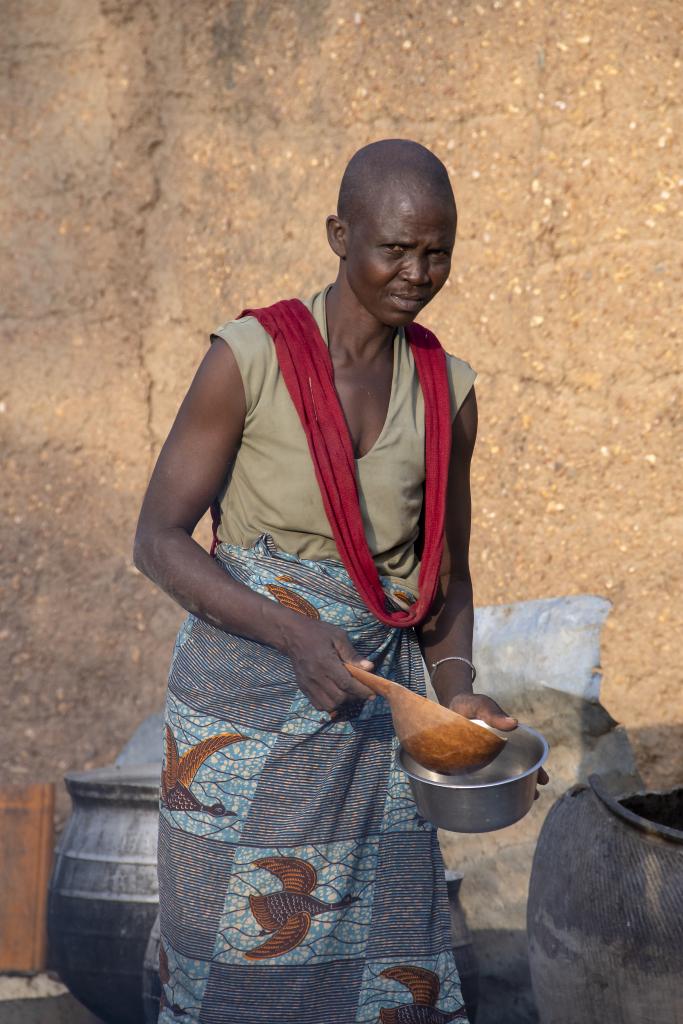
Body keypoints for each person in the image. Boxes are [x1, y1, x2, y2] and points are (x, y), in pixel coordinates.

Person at [134, 138, 545, 1024]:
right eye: (394, 248)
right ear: (338, 234)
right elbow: (159, 540)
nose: (417, 271)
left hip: (372, 725)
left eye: (437, 250)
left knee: (387, 975)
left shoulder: (446, 391)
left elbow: (443, 576)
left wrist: (457, 694)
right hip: (240, 725)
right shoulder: (248, 359)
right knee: (232, 969)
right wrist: (290, 632)